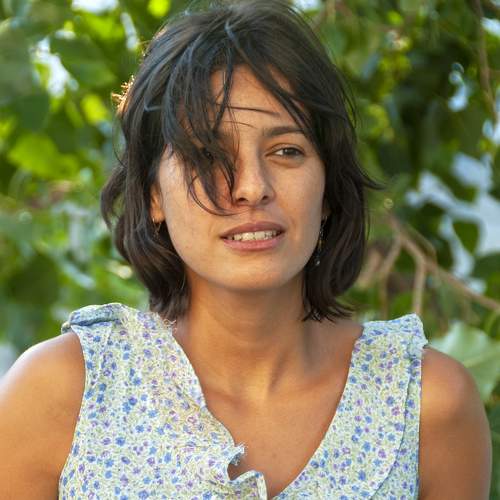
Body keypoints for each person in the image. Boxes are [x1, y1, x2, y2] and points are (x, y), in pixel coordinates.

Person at [0, 0, 491, 498]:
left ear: (327, 187)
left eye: (287, 151)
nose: (252, 187)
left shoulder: (428, 402)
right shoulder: (61, 394)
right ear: (153, 196)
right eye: (207, 155)